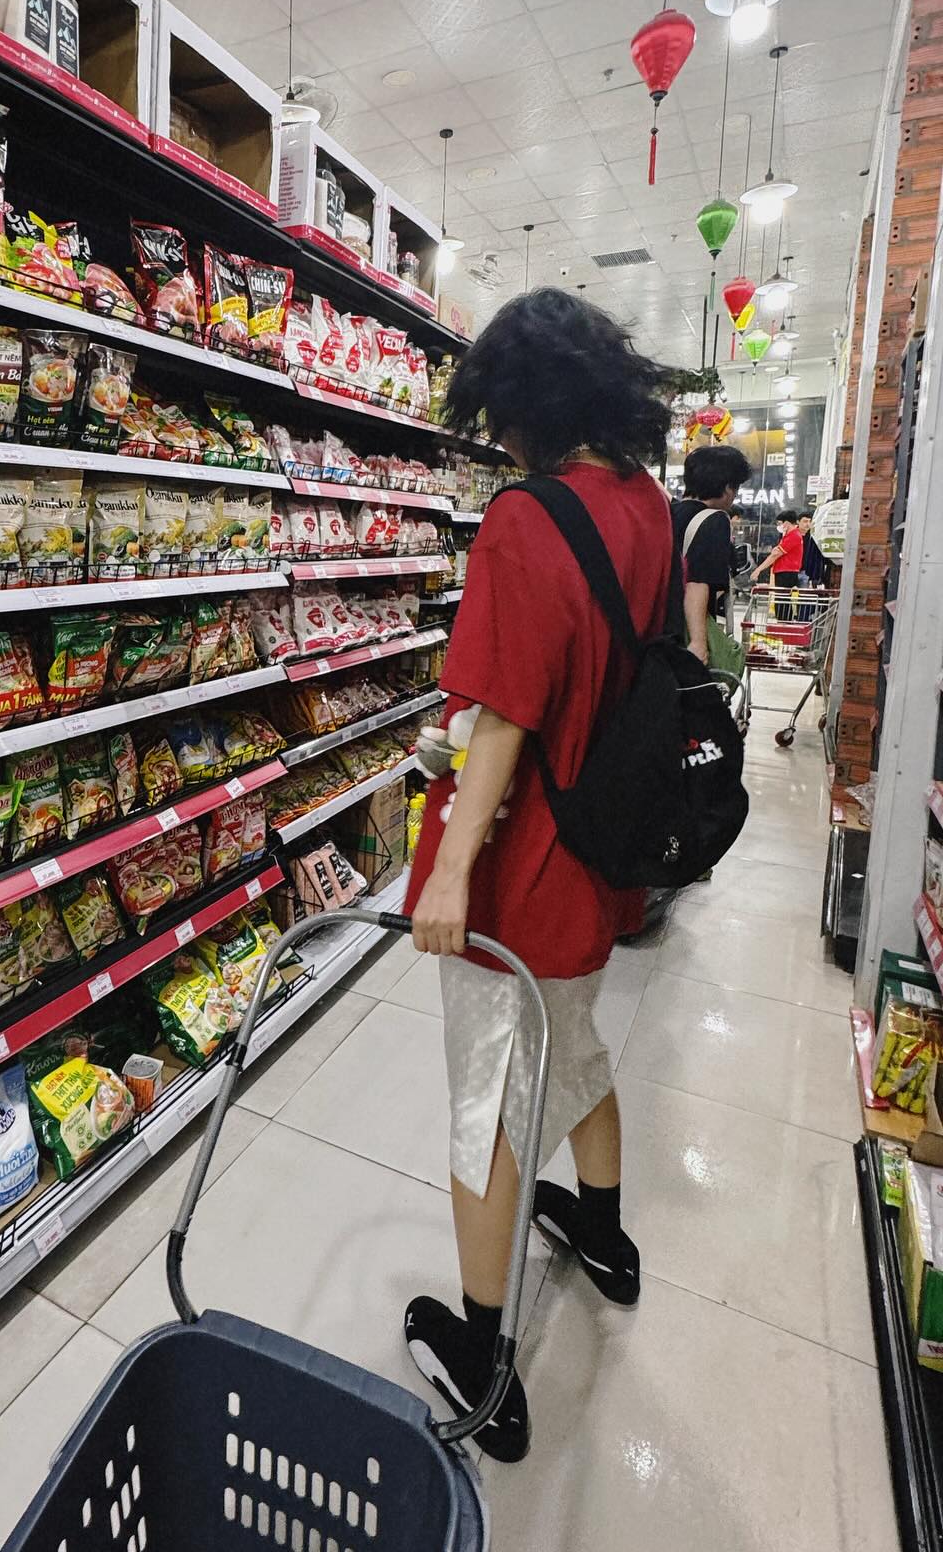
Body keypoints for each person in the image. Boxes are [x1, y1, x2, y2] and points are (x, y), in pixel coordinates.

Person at [402, 288, 674, 1462]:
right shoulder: (646, 502)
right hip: (607, 846)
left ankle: (483, 1366)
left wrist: (451, 874)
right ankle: (604, 1235)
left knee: (487, 1105)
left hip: (522, 866)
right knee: (574, 1042)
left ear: (521, 404)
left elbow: (507, 712)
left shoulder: (525, 519)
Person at [670, 445, 751, 660]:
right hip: (686, 632)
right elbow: (697, 582)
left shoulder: (668, 512)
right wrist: (698, 642)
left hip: (659, 626)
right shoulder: (715, 520)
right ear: (727, 488)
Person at [753, 509, 804, 619]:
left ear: (787, 523)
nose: (779, 526)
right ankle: (783, 622)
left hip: (787, 572)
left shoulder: (793, 536)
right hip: (785, 572)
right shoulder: (789, 536)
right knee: (781, 601)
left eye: (780, 523)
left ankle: (784, 623)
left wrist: (759, 569)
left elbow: (775, 555)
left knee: (782, 602)